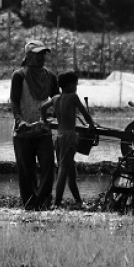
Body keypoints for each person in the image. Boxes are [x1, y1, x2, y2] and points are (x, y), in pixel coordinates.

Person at [10, 40, 60, 210]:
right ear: (29, 57)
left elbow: (56, 100)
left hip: (43, 129)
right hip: (23, 132)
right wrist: (20, 121)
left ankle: (43, 202)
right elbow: (14, 101)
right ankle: (31, 205)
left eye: (43, 54)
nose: (41, 58)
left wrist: (57, 116)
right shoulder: (19, 75)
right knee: (26, 172)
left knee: (48, 168)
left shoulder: (51, 76)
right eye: (37, 55)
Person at [40, 71, 95, 210]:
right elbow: (85, 113)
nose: (77, 86)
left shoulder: (55, 99)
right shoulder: (73, 97)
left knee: (71, 172)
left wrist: (45, 120)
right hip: (70, 137)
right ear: (71, 85)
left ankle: (79, 201)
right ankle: (56, 204)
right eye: (76, 84)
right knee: (63, 170)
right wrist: (92, 125)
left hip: (59, 137)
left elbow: (42, 108)